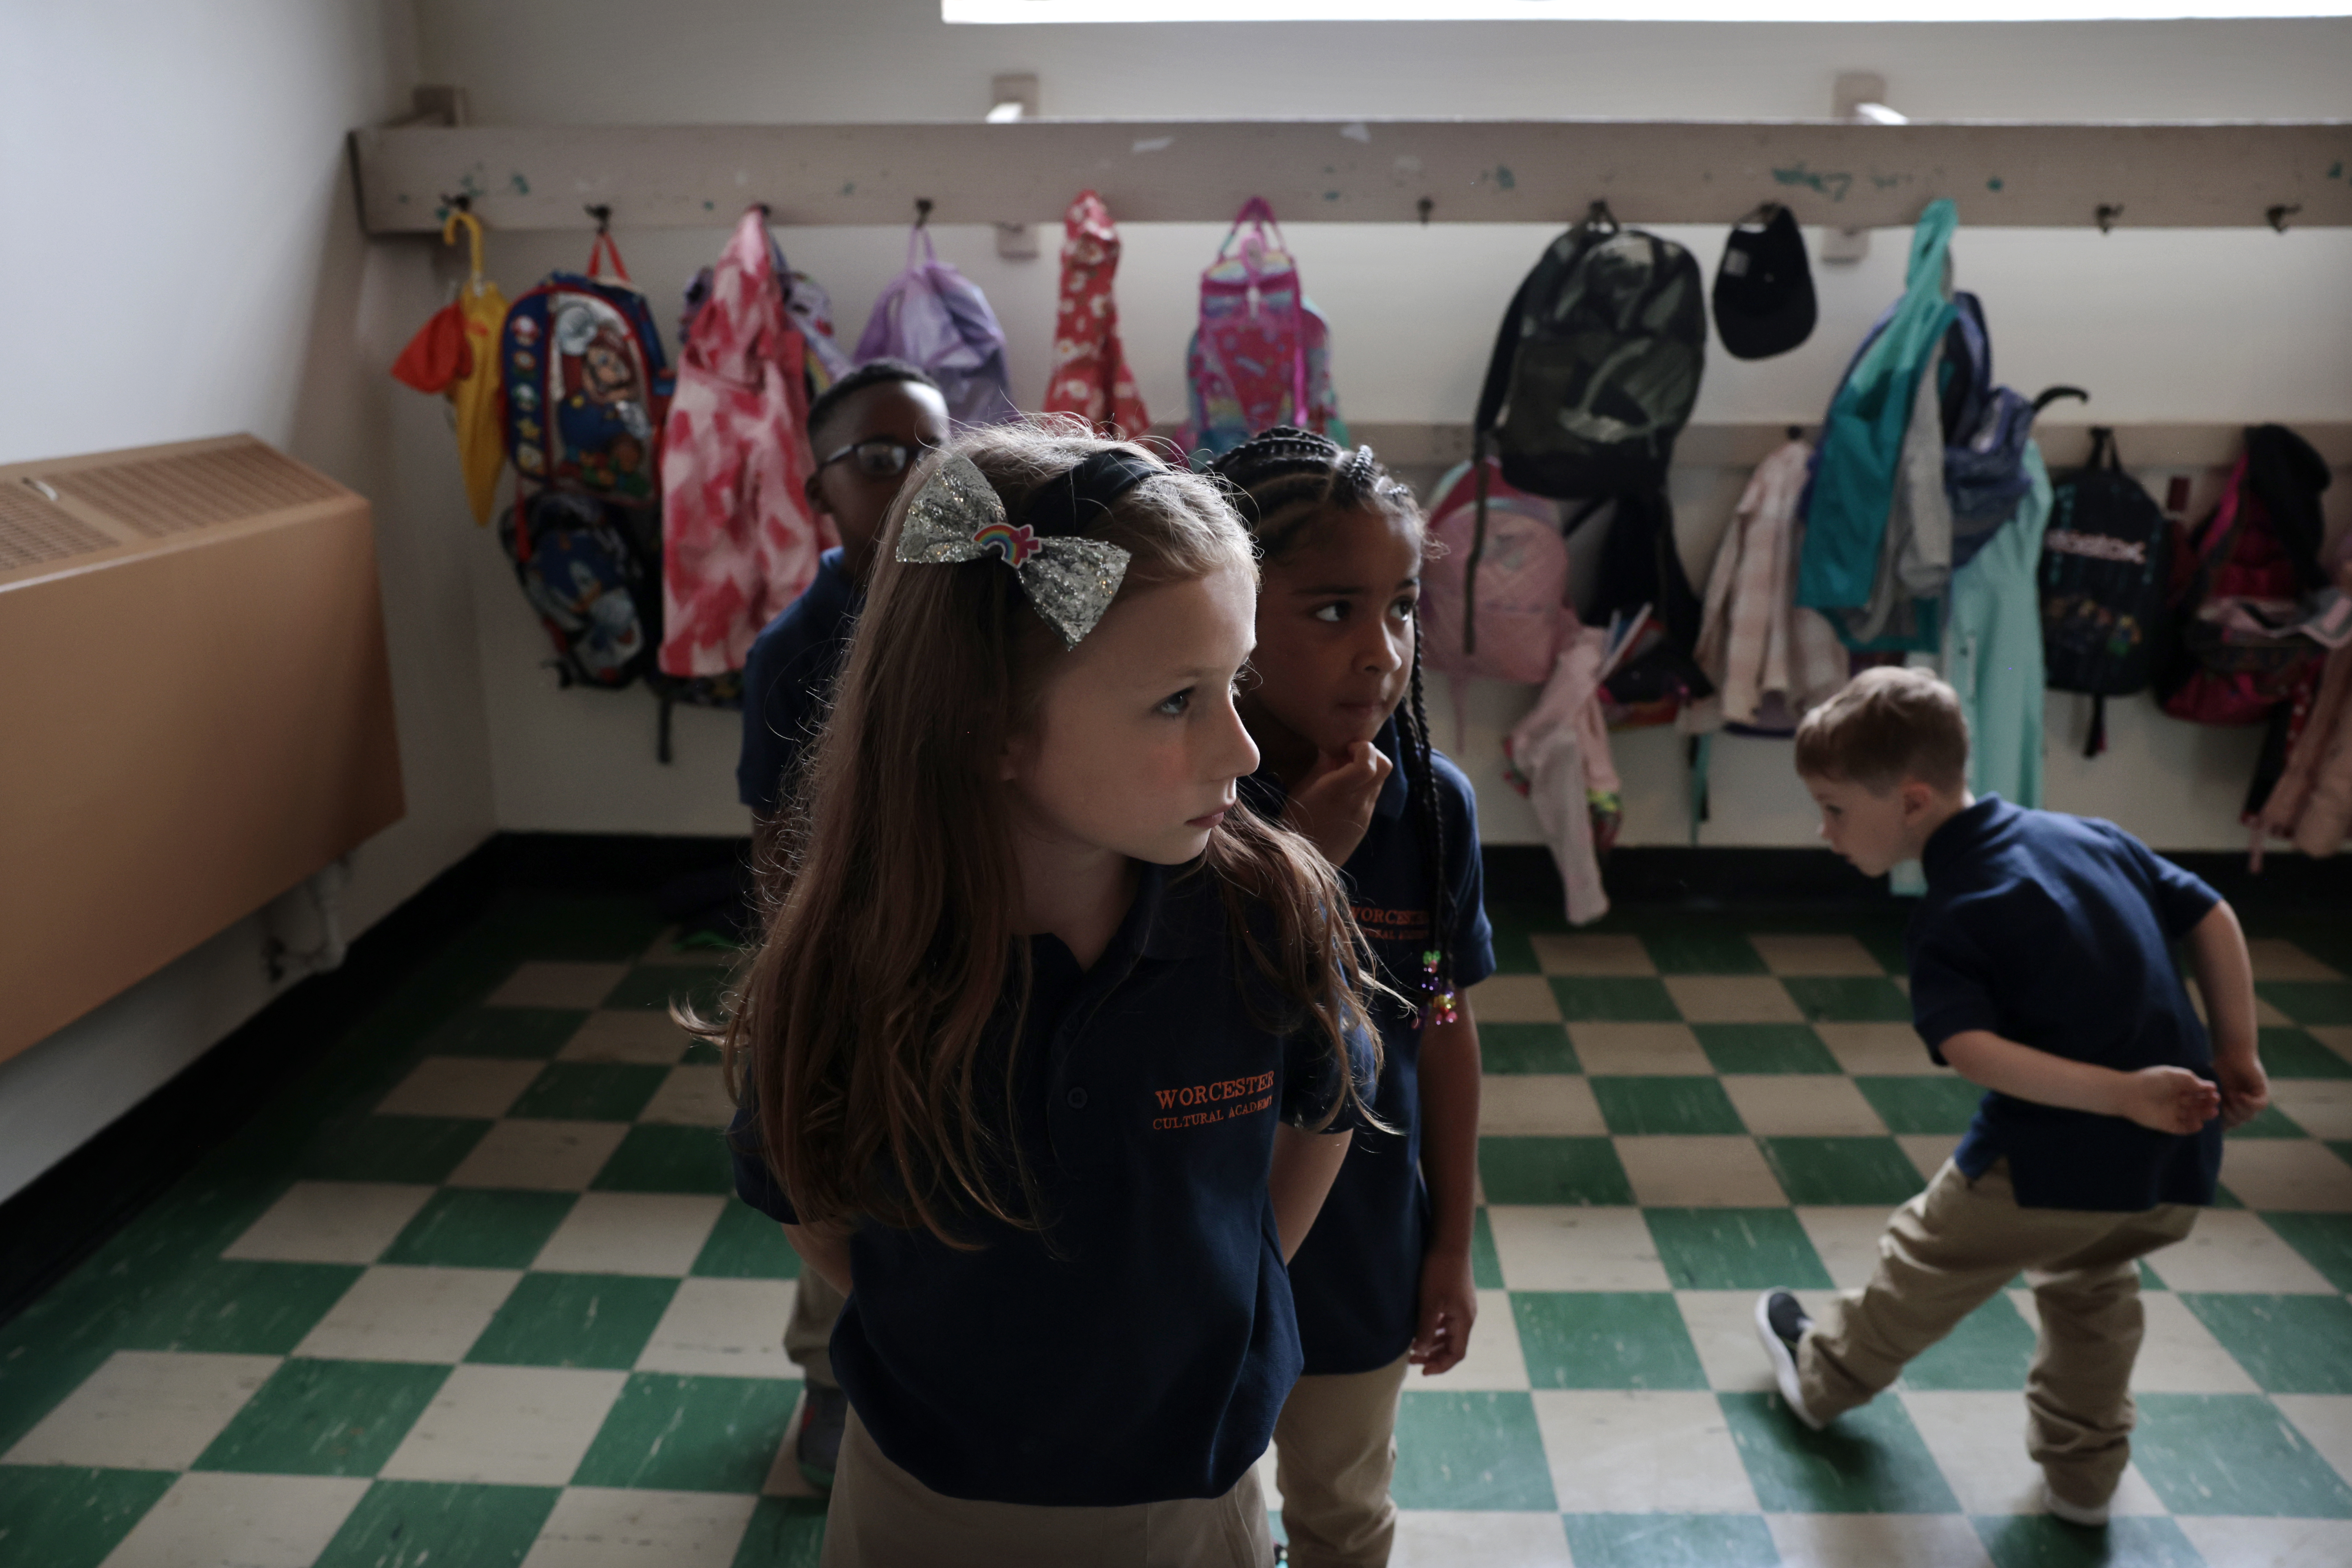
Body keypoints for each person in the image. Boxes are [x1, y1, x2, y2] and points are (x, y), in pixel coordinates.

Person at [722, 421, 1381, 1568]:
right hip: (927, 1495)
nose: (1239, 747)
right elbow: (813, 1202)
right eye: (1178, 701)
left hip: (1196, 1489)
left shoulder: (1269, 915)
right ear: (990, 728)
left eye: (1236, 684)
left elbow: (1322, 1114)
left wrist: (1211, 1286)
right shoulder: (851, 952)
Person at [1756, 666, 2269, 1528]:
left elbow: (1972, 1050)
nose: (1825, 830)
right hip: (2174, 1162)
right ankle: (2084, 1480)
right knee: (2093, 1289)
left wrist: (2119, 1097)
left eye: (1837, 809)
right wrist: (2237, 1048)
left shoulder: (1956, 910)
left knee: (1926, 1257)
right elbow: (2211, 912)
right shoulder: (2089, 835)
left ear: (1913, 801)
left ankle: (1821, 1381)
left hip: (2046, 1163)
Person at [1212, 429, 1491, 1568]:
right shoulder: (1184, 790)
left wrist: (1451, 1239)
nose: (1381, 652)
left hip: (1367, 1240)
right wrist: (1296, 859)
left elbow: (1440, 1019)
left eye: (1401, 607)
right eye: (1331, 610)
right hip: (1200, 1239)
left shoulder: (1431, 805)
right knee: (1208, 1510)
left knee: (1341, 1507)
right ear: (1231, 610)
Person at [733, 357, 949, 1489]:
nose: (912, 477)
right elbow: (776, 839)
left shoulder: (982, 615)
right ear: (820, 490)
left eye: (932, 452)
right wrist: (803, 980)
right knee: (833, 1162)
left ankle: (949, 1339)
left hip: (960, 946)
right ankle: (827, 1373)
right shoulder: (793, 655)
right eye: (877, 457)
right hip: (852, 959)